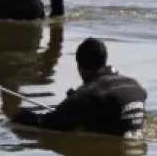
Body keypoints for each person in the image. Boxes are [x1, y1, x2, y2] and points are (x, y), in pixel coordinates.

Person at [10, 37, 147, 138]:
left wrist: (19, 116)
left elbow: (48, 123)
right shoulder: (135, 85)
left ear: (80, 67)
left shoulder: (87, 95)